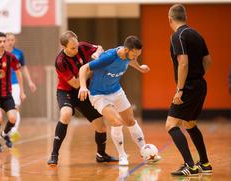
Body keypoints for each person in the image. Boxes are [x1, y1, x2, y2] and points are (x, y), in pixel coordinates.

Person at [78, 35, 161, 166]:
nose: (136, 57)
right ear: (127, 50)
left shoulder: (128, 56)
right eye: (135, 54)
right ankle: (122, 155)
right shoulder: (109, 57)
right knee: (116, 122)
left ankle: (146, 152)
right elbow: (84, 68)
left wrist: (140, 68)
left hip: (116, 91)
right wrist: (83, 86)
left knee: (130, 121)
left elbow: (130, 61)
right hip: (99, 95)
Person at [47, 31, 118, 166]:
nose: (76, 49)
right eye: (72, 48)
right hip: (67, 92)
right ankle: (54, 154)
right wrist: (92, 69)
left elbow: (99, 48)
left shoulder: (82, 46)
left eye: (76, 46)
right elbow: (75, 83)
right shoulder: (60, 62)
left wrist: (97, 55)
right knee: (66, 114)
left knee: (101, 126)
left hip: (84, 92)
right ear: (64, 47)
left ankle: (101, 155)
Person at [166, 4, 212, 176]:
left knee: (171, 125)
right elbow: (208, 61)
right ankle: (205, 164)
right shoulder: (197, 34)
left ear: (170, 19)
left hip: (188, 87)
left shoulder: (177, 36)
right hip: (200, 84)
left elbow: (183, 62)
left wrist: (180, 89)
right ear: (185, 17)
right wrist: (197, 75)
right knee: (189, 124)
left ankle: (190, 166)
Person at [5, 33, 37, 142]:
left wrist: (30, 82)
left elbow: (24, 68)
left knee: (15, 107)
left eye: (12, 39)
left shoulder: (19, 53)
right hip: (3, 85)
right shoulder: (1, 54)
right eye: (8, 39)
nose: (10, 41)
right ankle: (3, 131)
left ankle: (13, 130)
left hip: (15, 84)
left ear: (15, 40)